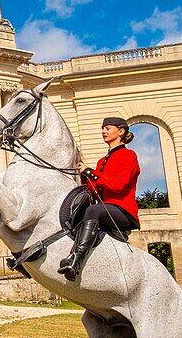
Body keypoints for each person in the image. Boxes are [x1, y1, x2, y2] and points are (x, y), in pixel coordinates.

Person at [58, 116, 141, 281]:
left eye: (108, 128)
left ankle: (76, 259)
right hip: (104, 210)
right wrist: (82, 178)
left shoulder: (129, 156)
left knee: (93, 210)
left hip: (123, 211)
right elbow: (96, 191)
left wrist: (91, 172)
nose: (103, 131)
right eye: (103, 128)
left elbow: (118, 185)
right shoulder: (102, 160)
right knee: (77, 213)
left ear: (121, 131)